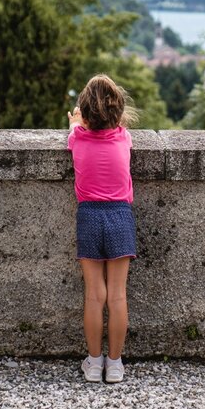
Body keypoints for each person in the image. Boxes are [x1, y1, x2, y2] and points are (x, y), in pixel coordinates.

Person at [67, 74, 138, 384]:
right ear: (118, 113)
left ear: (84, 113)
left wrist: (75, 122)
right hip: (120, 214)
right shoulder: (124, 138)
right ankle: (116, 364)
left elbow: (75, 129)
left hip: (89, 215)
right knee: (117, 296)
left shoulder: (77, 138)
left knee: (95, 295)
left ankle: (94, 364)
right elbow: (115, 127)